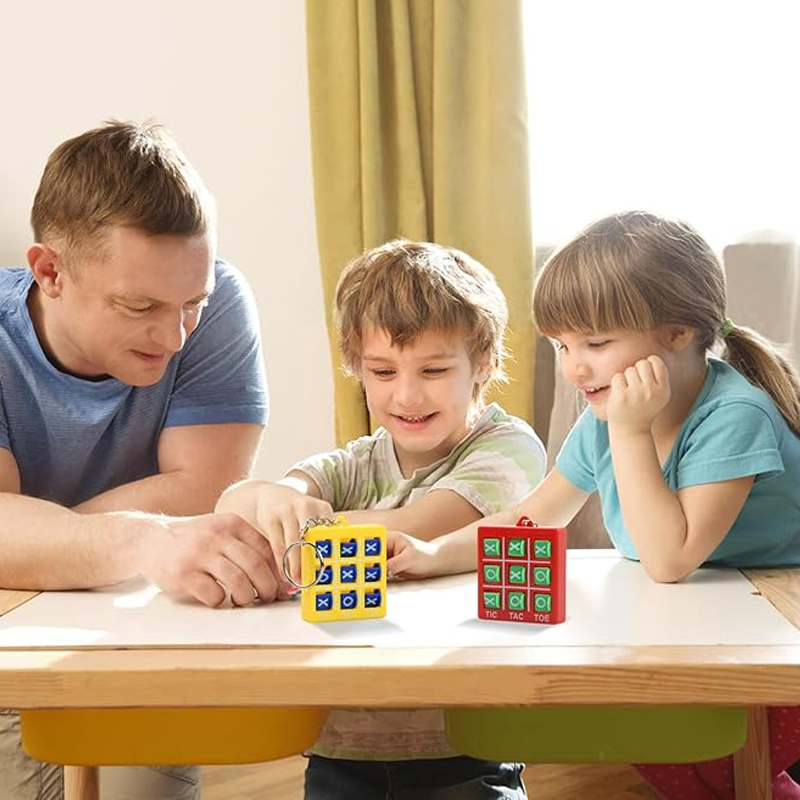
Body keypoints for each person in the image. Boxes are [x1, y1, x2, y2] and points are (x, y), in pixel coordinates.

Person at [385, 211, 800, 799]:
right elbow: (533, 517)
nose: (573, 366)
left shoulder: (732, 416)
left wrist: (631, 433)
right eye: (562, 344)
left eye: (596, 343)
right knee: (678, 761)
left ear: (678, 333)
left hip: (776, 634)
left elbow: (669, 558)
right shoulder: (604, 418)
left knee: (726, 767)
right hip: (696, 618)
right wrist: (434, 553)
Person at [0, 121, 280, 799]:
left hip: (141, 637)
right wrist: (137, 539)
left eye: (191, 303)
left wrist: (50, 539)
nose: (176, 335)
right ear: (50, 271)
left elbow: (204, 489)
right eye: (139, 306)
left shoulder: (215, 306)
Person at [217, 238, 547, 799]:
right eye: (383, 371)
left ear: (484, 364)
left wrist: (306, 531)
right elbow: (236, 506)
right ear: (358, 370)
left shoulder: (509, 448)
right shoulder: (357, 461)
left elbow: (427, 524)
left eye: (434, 368)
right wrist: (271, 500)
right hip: (343, 744)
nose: (408, 393)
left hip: (464, 745)